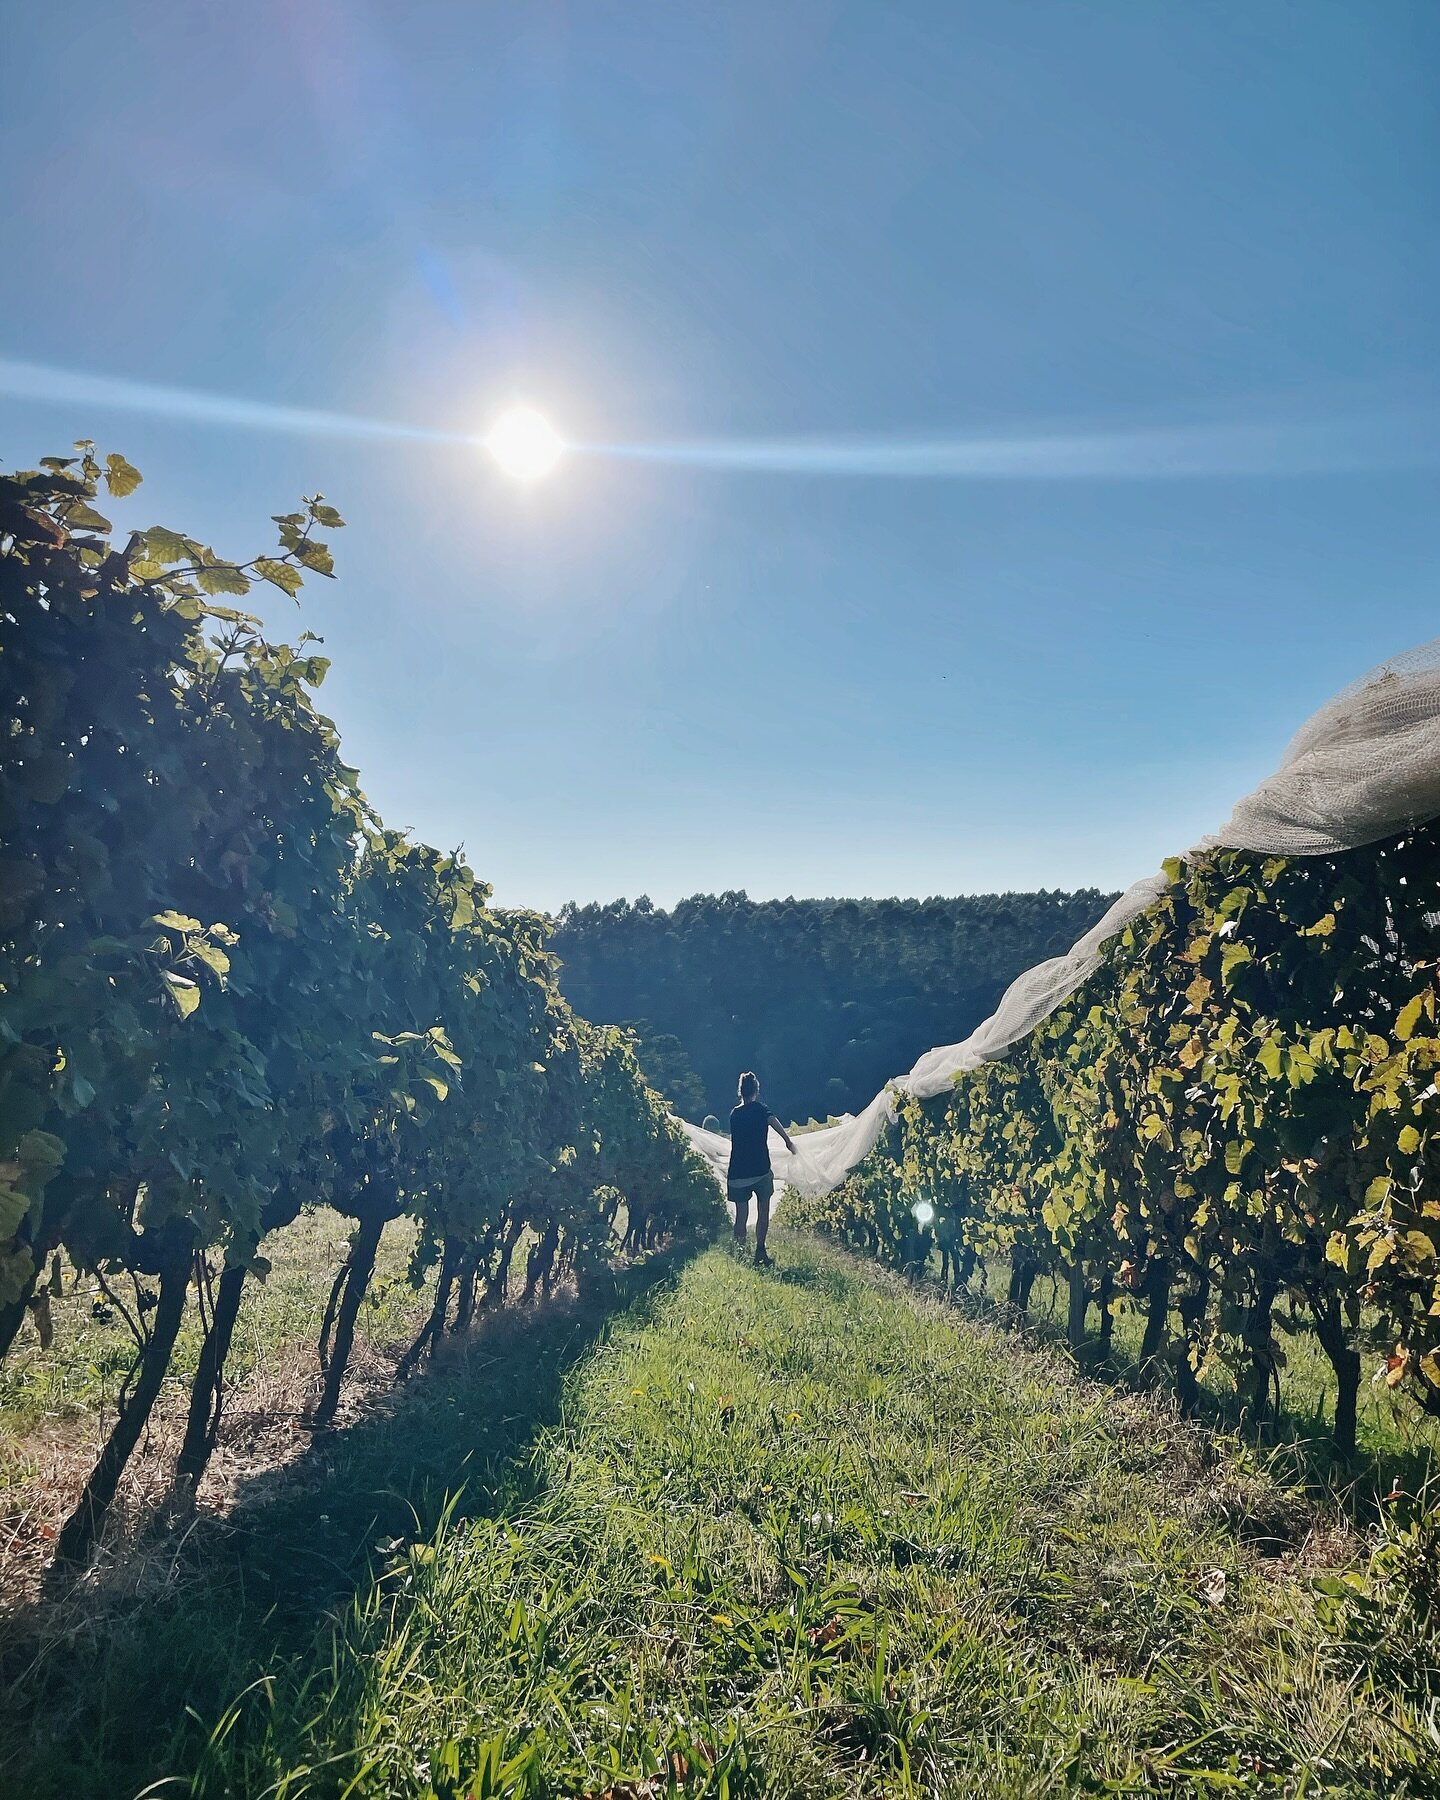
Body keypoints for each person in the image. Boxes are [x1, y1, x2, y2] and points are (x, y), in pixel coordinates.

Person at [727, 1071, 794, 1267]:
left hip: (738, 1171)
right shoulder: (761, 1110)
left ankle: (740, 1255)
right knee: (763, 1211)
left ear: (741, 1091)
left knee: (741, 1215)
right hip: (760, 1169)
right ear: (756, 1090)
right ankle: (760, 1251)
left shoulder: (734, 1114)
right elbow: (776, 1125)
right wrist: (788, 1143)